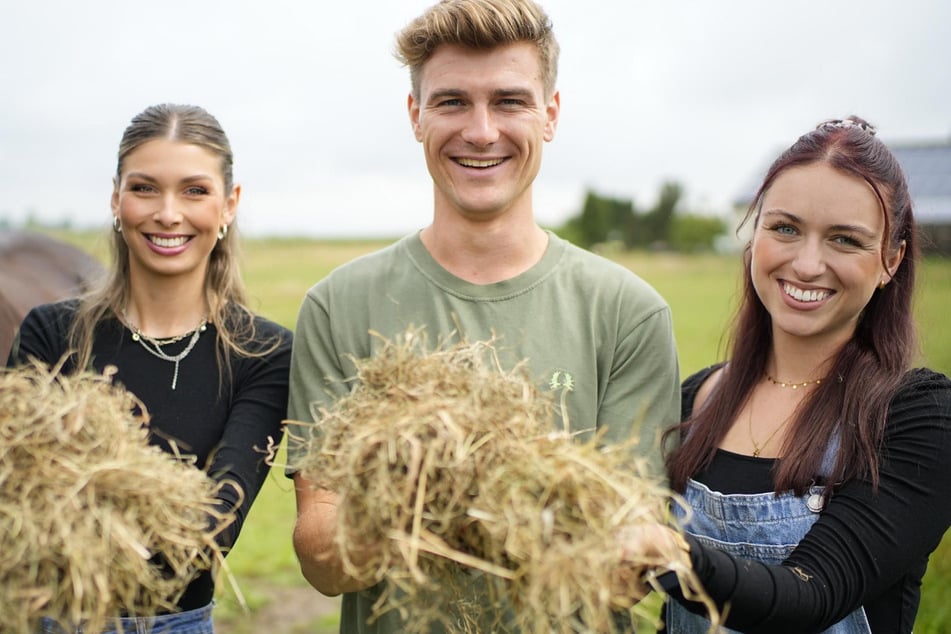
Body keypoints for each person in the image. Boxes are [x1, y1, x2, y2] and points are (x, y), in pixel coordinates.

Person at [286, 0, 681, 631]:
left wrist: (502, 496)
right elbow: (323, 562)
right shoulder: (340, 305)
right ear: (415, 116)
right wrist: (416, 488)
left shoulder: (626, 312)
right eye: (451, 102)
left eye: (509, 101)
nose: (480, 131)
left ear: (549, 115)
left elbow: (623, 573)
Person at [617, 116, 951, 633]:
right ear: (756, 234)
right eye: (785, 228)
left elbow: (810, 593)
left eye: (844, 240)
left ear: (891, 259)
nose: (807, 263)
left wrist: (668, 556)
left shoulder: (916, 417)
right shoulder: (697, 399)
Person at [7, 103, 292, 633]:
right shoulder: (51, 333)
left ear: (229, 204)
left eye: (194, 190)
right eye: (144, 188)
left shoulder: (264, 353)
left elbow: (213, 531)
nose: (167, 213)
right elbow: (19, 502)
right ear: (116, 199)